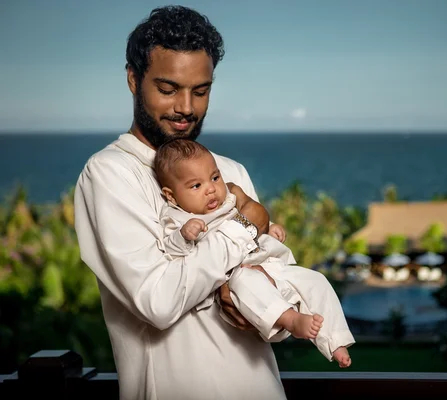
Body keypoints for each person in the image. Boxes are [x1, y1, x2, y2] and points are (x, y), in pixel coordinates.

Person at [74, 5, 293, 399]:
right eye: (168, 88)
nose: (186, 108)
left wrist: (260, 299)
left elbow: (280, 293)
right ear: (132, 79)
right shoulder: (108, 174)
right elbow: (158, 302)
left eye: (201, 90)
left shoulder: (230, 173)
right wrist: (246, 228)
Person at [153, 138, 354, 367]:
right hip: (237, 274)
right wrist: (183, 235)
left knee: (315, 280)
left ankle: (335, 341)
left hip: (269, 264)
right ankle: (291, 319)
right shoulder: (178, 218)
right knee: (248, 283)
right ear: (171, 195)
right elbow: (171, 249)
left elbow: (254, 222)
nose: (211, 189)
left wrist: (270, 227)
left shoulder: (229, 201)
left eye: (215, 177)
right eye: (196, 186)